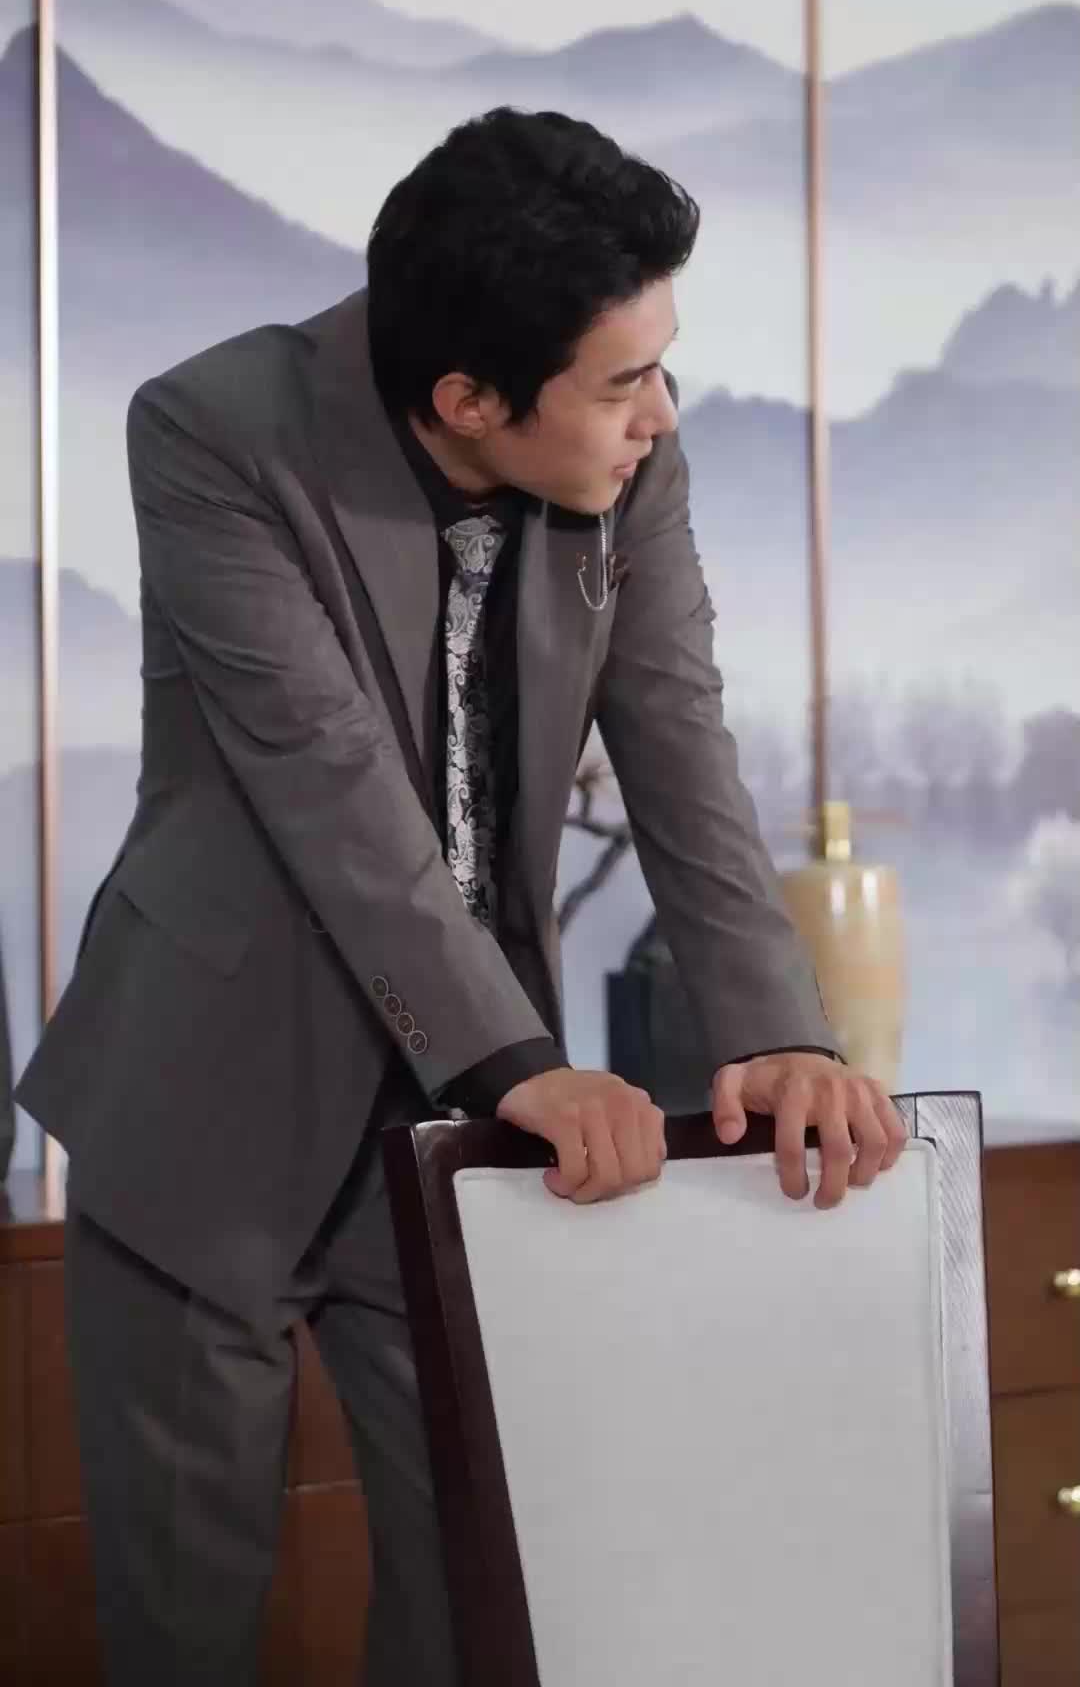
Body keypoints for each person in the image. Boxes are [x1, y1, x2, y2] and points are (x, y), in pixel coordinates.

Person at [17, 107, 906, 1684]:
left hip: (461, 1111)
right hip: (207, 1094)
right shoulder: (217, 432)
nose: (661, 412)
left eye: (662, 366)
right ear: (469, 399)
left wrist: (780, 1028)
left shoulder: (633, 451)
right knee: (186, 1629)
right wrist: (519, 1065)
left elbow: (678, 734)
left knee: (485, 1600)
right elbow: (327, 782)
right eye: (623, 382)